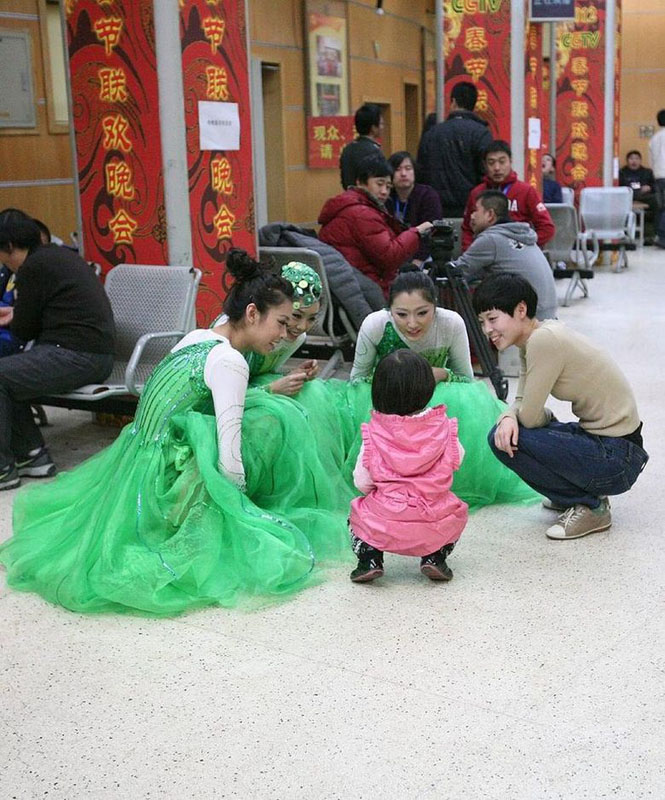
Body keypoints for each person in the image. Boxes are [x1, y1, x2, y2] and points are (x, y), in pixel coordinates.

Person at [0, 250, 355, 615]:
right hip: (166, 475)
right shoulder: (230, 362)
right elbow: (231, 459)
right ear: (252, 314)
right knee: (269, 424)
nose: (286, 334)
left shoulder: (199, 336)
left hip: (132, 458)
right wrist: (241, 512)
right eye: (282, 322)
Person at [473, 273, 649, 541]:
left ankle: (591, 507)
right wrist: (509, 416)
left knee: (503, 439)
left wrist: (523, 418)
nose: (487, 329)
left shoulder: (544, 341)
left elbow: (529, 418)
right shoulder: (535, 338)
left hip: (618, 458)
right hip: (613, 446)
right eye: (482, 322)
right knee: (509, 431)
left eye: (493, 319)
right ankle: (572, 496)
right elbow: (521, 403)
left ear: (521, 310)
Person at [347, 269, 540, 509]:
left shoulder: (450, 323)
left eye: (422, 313)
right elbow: (357, 381)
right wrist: (398, 380)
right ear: (389, 310)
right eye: (401, 314)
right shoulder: (376, 324)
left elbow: (466, 380)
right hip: (387, 400)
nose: (412, 323)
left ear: (435, 306)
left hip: (435, 396)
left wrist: (441, 374)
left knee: (468, 402)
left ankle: (445, 480)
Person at [0, 209, 115, 490]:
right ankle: (32, 456)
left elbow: (24, 331)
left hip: (76, 355)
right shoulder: (57, 256)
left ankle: (3, 468)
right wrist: (17, 314)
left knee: (3, 373)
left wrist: (17, 316)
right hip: (90, 353)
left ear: (10, 246)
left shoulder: (32, 268)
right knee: (10, 374)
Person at [348, 349, 468, 583]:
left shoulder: (375, 432)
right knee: (455, 514)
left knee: (357, 515)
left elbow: (362, 480)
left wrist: (381, 495)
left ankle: (369, 559)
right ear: (427, 388)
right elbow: (458, 458)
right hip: (433, 518)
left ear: (378, 392)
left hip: (384, 520)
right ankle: (435, 556)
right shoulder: (443, 427)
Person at [318, 154, 432, 297]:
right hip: (366, 288)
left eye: (388, 186)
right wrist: (416, 232)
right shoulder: (362, 213)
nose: (384, 191)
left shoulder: (348, 205)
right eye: (379, 184)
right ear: (360, 182)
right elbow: (389, 257)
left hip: (348, 286)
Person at [217, 261, 322, 396]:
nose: (302, 327)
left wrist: (291, 377)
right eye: (296, 315)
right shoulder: (228, 335)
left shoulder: (294, 338)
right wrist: (271, 389)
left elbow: (262, 376)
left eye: (312, 319)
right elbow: (221, 396)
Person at [453, 190, 557, 320]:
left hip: (529, 318)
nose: (471, 216)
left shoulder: (491, 239)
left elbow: (457, 272)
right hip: (547, 314)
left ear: (490, 215)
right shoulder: (521, 235)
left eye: (475, 211)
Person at [461, 140, 555, 252]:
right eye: (491, 163)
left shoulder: (526, 191)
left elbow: (547, 228)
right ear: (485, 165)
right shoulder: (477, 193)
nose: (497, 168)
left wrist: (524, 247)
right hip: (484, 253)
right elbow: (467, 229)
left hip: (517, 254)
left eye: (502, 162)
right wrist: (470, 251)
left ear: (510, 162)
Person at [417, 82, 493, 217]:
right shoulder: (481, 133)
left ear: (453, 102)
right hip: (471, 209)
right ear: (474, 104)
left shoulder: (432, 133)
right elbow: (486, 174)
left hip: (436, 209)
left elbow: (421, 172)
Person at [385, 151, 442, 263]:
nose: (403, 174)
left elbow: (432, 232)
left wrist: (418, 260)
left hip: (424, 254)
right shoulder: (386, 197)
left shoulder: (428, 195)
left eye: (408, 168)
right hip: (394, 254)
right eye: (397, 169)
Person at [339, 103, 384, 190]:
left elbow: (344, 180)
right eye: (381, 124)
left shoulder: (347, 149)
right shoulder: (374, 151)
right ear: (373, 128)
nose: (383, 127)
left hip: (349, 195)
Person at [619, 150, 658, 241]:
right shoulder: (622, 172)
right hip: (627, 196)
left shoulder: (647, 172)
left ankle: (654, 233)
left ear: (640, 160)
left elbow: (654, 186)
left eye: (637, 158)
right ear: (627, 160)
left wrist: (649, 187)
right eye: (631, 158)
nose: (634, 161)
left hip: (644, 196)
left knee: (657, 199)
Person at [648, 110, 665, 248]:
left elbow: (651, 160)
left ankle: (659, 235)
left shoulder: (654, 138)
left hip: (658, 176)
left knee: (661, 207)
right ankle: (662, 238)